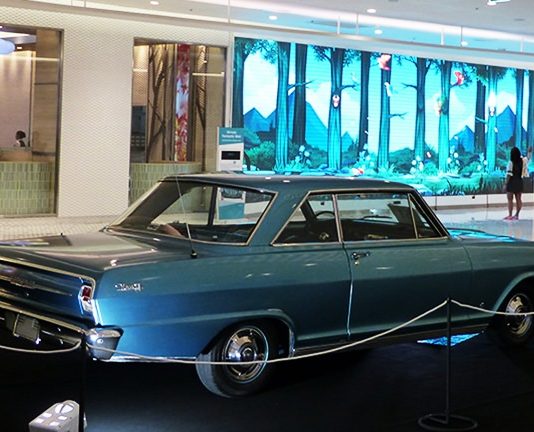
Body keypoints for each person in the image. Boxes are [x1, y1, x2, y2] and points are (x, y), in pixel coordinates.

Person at [504, 146, 532, 220]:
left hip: (511, 182)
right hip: (519, 181)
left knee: (510, 199)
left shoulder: (510, 162)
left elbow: (508, 174)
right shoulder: (523, 161)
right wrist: (529, 152)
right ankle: (517, 215)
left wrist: (505, 184)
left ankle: (510, 215)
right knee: (518, 199)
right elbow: (528, 158)